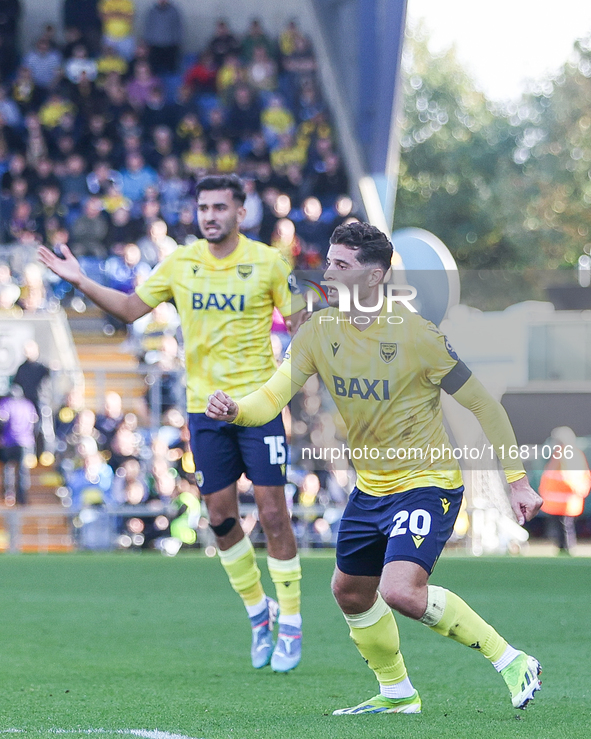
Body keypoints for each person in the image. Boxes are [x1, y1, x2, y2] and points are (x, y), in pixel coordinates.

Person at [205, 221, 544, 714]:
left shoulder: (418, 336)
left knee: (401, 590)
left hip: (428, 484)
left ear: (373, 276)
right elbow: (271, 398)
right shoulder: (318, 332)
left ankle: (511, 660)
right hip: (371, 490)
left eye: (341, 265)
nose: (328, 272)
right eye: (328, 262)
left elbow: (485, 406)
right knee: (349, 592)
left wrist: (516, 480)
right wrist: (235, 409)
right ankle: (397, 694)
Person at [38, 174, 306, 673]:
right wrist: (80, 280)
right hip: (205, 411)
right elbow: (130, 308)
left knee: (272, 513)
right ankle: (258, 613)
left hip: (259, 407)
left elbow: (303, 330)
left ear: (240, 213)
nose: (210, 215)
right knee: (222, 519)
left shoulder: (269, 263)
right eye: (203, 207)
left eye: (220, 207)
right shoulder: (182, 263)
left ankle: (290, 619)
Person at [538, 426, 591, 555]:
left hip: (562, 500)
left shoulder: (564, 455)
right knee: (564, 527)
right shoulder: (575, 454)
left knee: (564, 527)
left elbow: (563, 477)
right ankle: (565, 547)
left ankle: (566, 548)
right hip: (567, 500)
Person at [0, 383, 38, 505]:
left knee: (9, 468)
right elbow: (35, 423)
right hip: (26, 442)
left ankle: (9, 495)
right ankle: (22, 497)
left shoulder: (6, 403)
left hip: (9, 442)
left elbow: (2, 421)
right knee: (23, 470)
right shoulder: (28, 405)